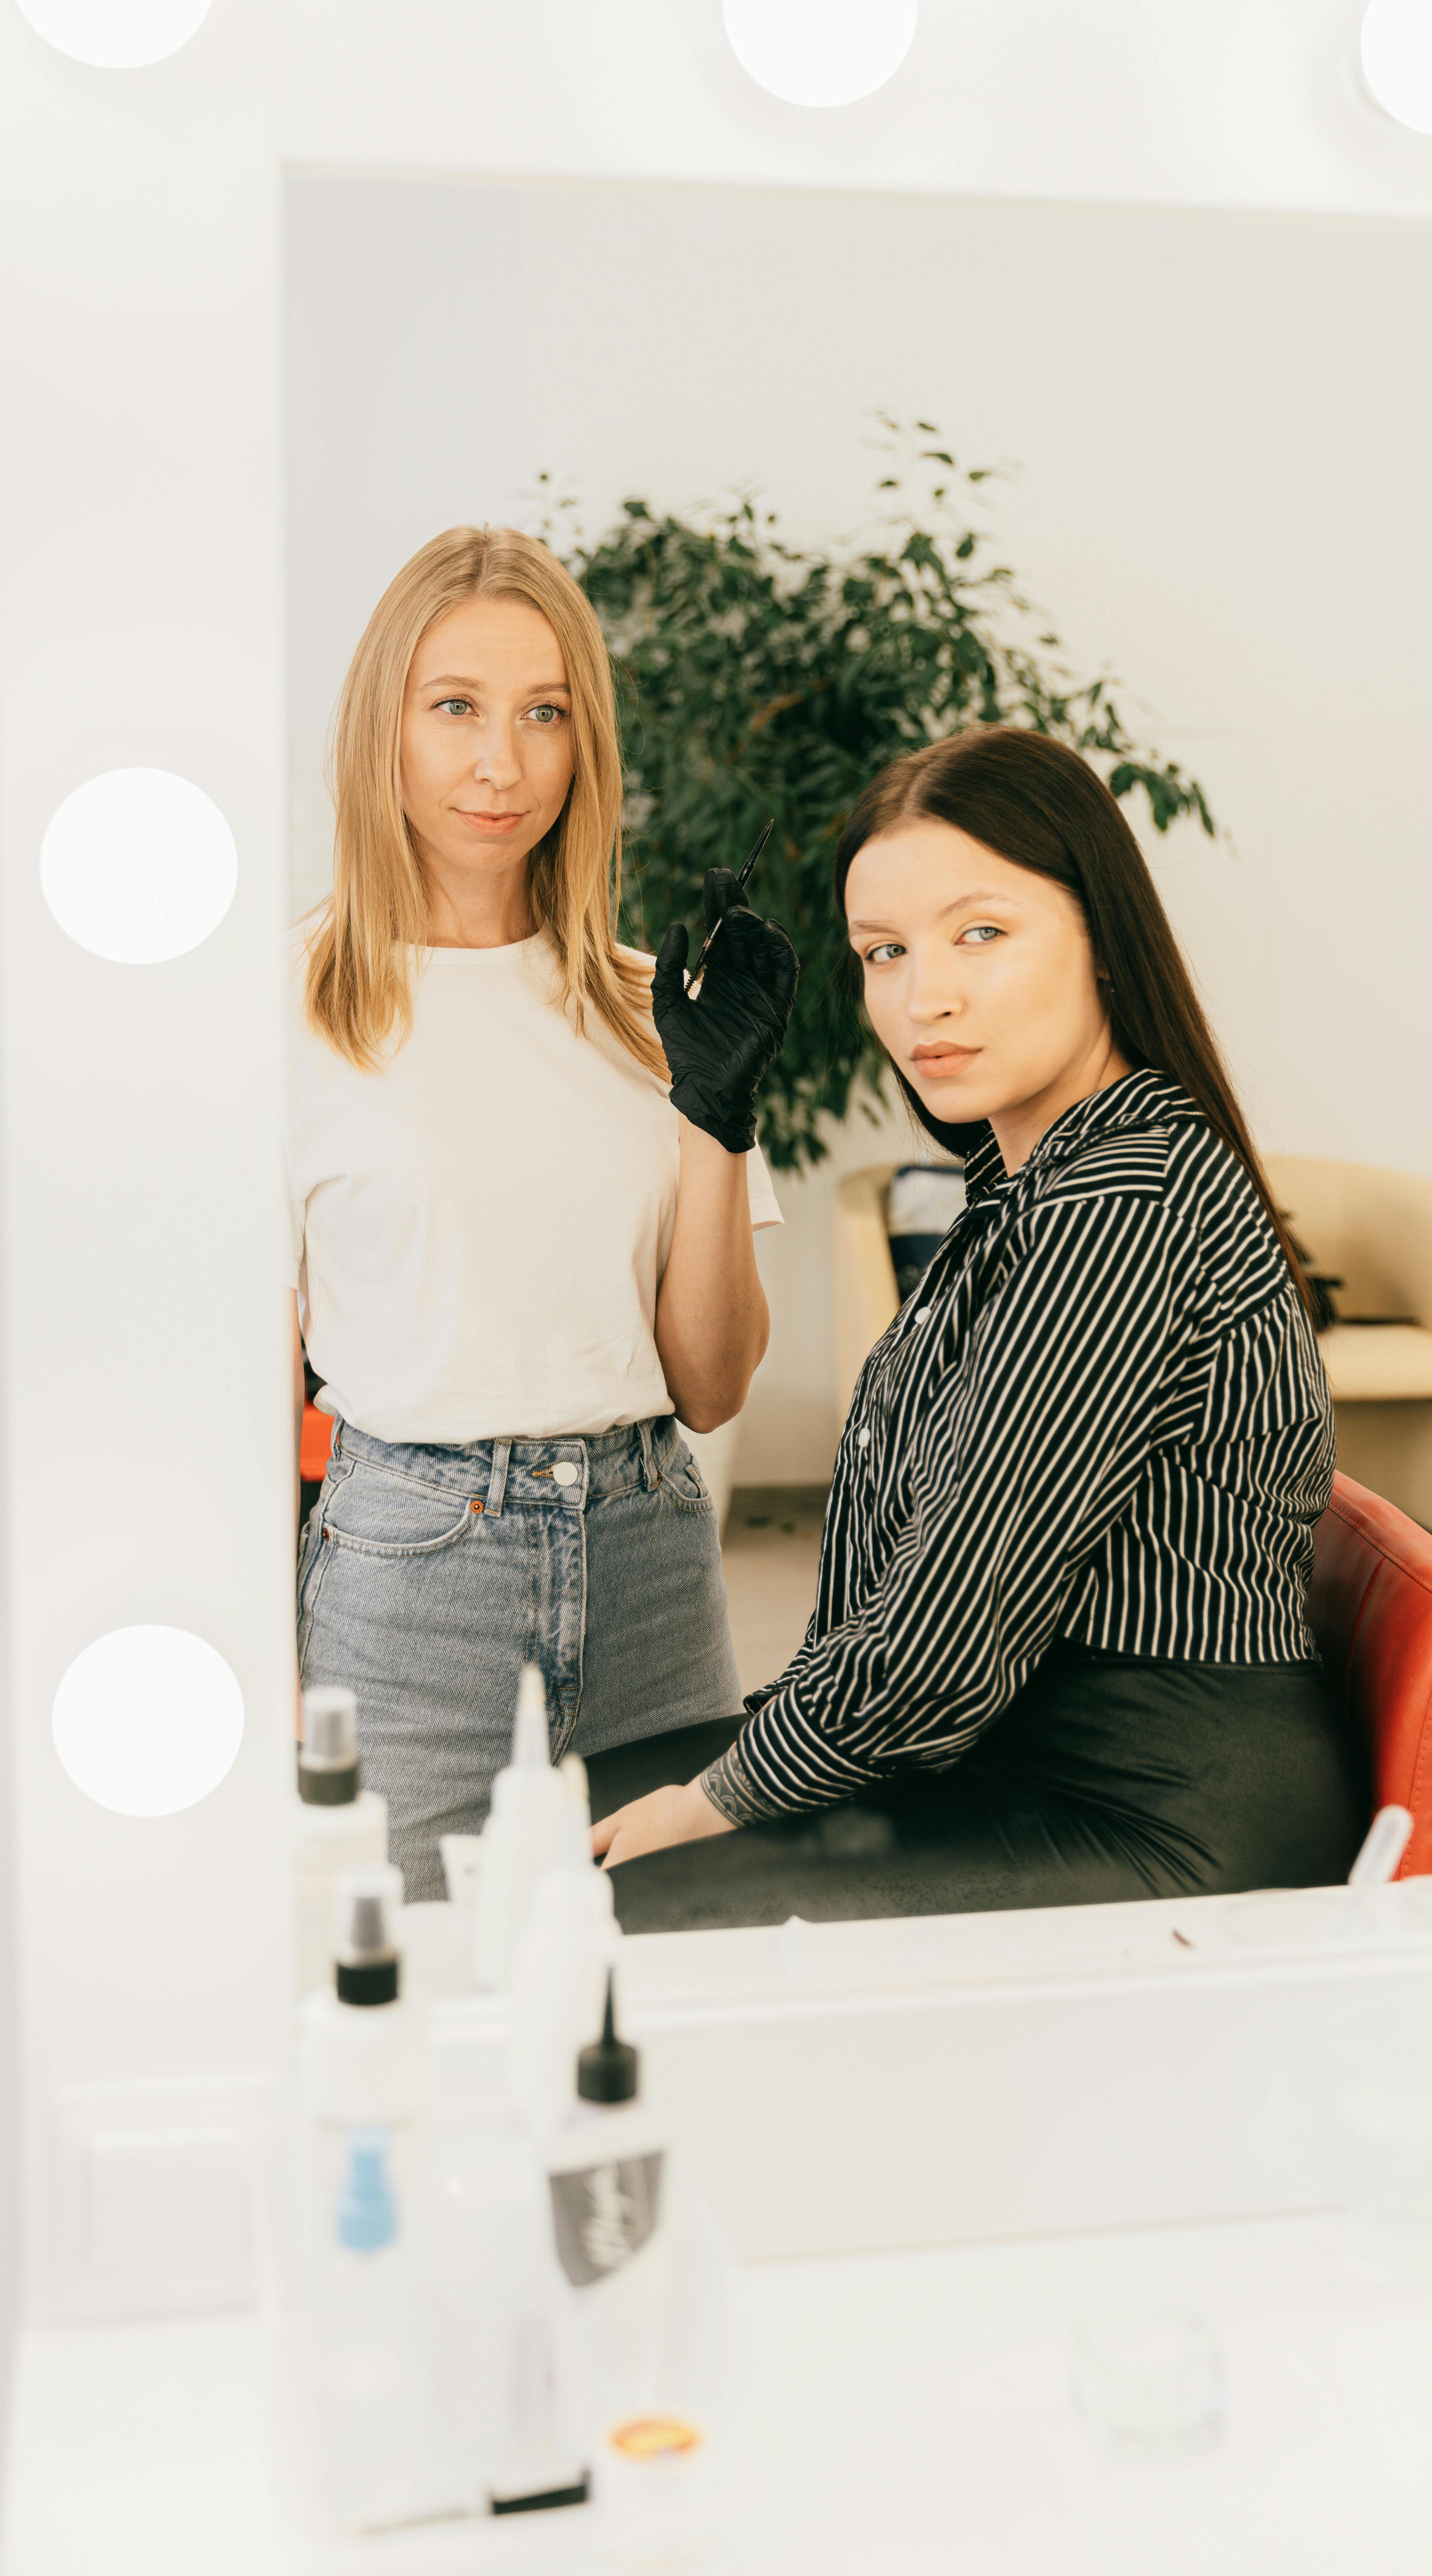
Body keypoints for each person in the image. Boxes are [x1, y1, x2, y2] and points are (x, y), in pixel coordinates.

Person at [586, 725, 1368, 1928]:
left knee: (590, 1895)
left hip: (1159, 1815)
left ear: (1101, 937)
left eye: (981, 934)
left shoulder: (1124, 1198)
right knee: (547, 1821)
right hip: (1000, 1751)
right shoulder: (1026, 1190)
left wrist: (727, 1791)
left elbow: (948, 1628)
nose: (921, 997)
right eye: (881, 952)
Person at [289, 525, 797, 1898]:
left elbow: (709, 1384)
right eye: (453, 708)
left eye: (543, 715)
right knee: (403, 1991)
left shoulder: (657, 1012)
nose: (498, 764)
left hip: (650, 1564)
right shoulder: (287, 1014)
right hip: (409, 1583)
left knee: (662, 2000)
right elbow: (245, 1380)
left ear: (586, 748)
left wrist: (717, 1118)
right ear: (380, 726)